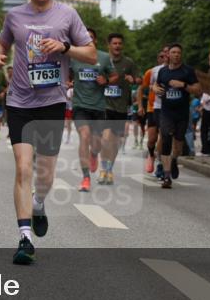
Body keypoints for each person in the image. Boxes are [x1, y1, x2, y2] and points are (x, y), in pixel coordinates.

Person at [0, 0, 95, 265]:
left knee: (45, 175)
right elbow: (0, 45)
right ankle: (25, 238)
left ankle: (38, 203)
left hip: (52, 102)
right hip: (20, 101)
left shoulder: (68, 15)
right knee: (23, 168)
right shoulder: (15, 16)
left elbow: (88, 54)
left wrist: (63, 48)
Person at [156, 43, 201, 188]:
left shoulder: (188, 71)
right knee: (166, 139)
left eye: (178, 53)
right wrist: (156, 89)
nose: (176, 55)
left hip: (182, 113)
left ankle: (174, 159)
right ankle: (167, 176)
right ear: (168, 55)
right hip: (166, 112)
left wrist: (183, 85)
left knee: (178, 145)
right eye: (173, 52)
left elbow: (198, 90)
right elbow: (157, 86)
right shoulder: (163, 71)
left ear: (181, 55)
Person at [70, 28, 108, 191]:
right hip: (80, 106)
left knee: (97, 145)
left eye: (90, 37)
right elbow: (66, 74)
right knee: (84, 137)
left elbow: (113, 77)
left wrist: (106, 80)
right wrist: (66, 82)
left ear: (95, 41)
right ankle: (85, 178)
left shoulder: (104, 57)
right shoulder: (73, 57)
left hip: (99, 107)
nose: (86, 40)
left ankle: (94, 155)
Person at [100, 32, 138, 185]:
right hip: (105, 105)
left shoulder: (128, 63)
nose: (117, 46)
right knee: (105, 138)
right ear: (109, 45)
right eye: (114, 43)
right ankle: (103, 169)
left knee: (115, 142)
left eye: (119, 43)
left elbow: (139, 79)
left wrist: (133, 79)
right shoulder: (102, 61)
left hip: (121, 107)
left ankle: (109, 169)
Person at [139, 47, 170, 178]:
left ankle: (161, 164)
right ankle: (151, 154)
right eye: (161, 56)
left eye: (166, 55)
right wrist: (141, 106)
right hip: (152, 108)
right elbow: (141, 89)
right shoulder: (152, 72)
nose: (164, 58)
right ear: (158, 59)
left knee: (163, 137)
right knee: (152, 139)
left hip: (168, 108)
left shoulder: (176, 71)